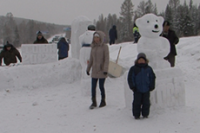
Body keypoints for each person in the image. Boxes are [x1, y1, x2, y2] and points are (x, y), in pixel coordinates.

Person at [127, 53, 156, 119]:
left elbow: (152, 77)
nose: (141, 61)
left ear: (145, 60)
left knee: (146, 103)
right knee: (137, 103)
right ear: (137, 60)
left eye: (142, 60)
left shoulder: (148, 68)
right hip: (137, 89)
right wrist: (132, 86)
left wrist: (152, 86)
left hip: (146, 89)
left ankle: (145, 114)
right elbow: (130, 78)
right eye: (140, 60)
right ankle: (136, 115)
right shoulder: (134, 69)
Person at [86, 31, 109, 109]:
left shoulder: (105, 47)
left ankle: (103, 101)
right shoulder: (93, 47)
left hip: (102, 70)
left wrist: (105, 69)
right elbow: (91, 59)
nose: (96, 39)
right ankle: (93, 102)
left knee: (101, 86)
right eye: (95, 38)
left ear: (100, 38)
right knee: (93, 87)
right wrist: (88, 68)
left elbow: (106, 59)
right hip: (94, 70)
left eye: (97, 38)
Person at [79, 25, 96, 96]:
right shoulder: (95, 34)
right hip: (91, 49)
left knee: (84, 65)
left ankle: (84, 78)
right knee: (91, 65)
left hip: (83, 50)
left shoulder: (82, 35)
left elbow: (80, 41)